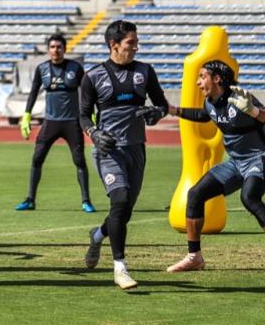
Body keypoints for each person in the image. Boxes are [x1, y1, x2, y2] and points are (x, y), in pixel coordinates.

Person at [79, 20, 170, 290]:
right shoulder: (93, 76)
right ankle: (120, 267)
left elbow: (162, 104)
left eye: (136, 42)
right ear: (113, 45)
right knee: (118, 202)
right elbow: (83, 115)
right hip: (108, 151)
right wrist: (94, 134)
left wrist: (157, 113)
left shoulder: (145, 71)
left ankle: (97, 236)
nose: (136, 47)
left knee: (125, 210)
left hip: (136, 149)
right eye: (131, 43)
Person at [166, 60, 265, 272]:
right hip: (235, 162)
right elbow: (204, 115)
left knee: (249, 197)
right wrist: (171, 110)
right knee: (195, 194)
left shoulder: (240, 99)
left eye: (202, 77)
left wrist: (254, 111)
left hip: (259, 157)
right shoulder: (210, 102)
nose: (197, 82)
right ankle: (194, 258)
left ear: (217, 79)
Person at [15, 34, 96, 213]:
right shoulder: (41, 69)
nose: (56, 50)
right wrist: (26, 114)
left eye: (59, 47)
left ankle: (86, 201)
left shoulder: (75, 68)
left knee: (79, 161)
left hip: (71, 123)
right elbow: (33, 92)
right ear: (48, 49)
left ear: (65, 49)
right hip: (50, 122)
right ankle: (30, 200)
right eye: (52, 47)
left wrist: (91, 114)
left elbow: (87, 92)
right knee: (37, 159)